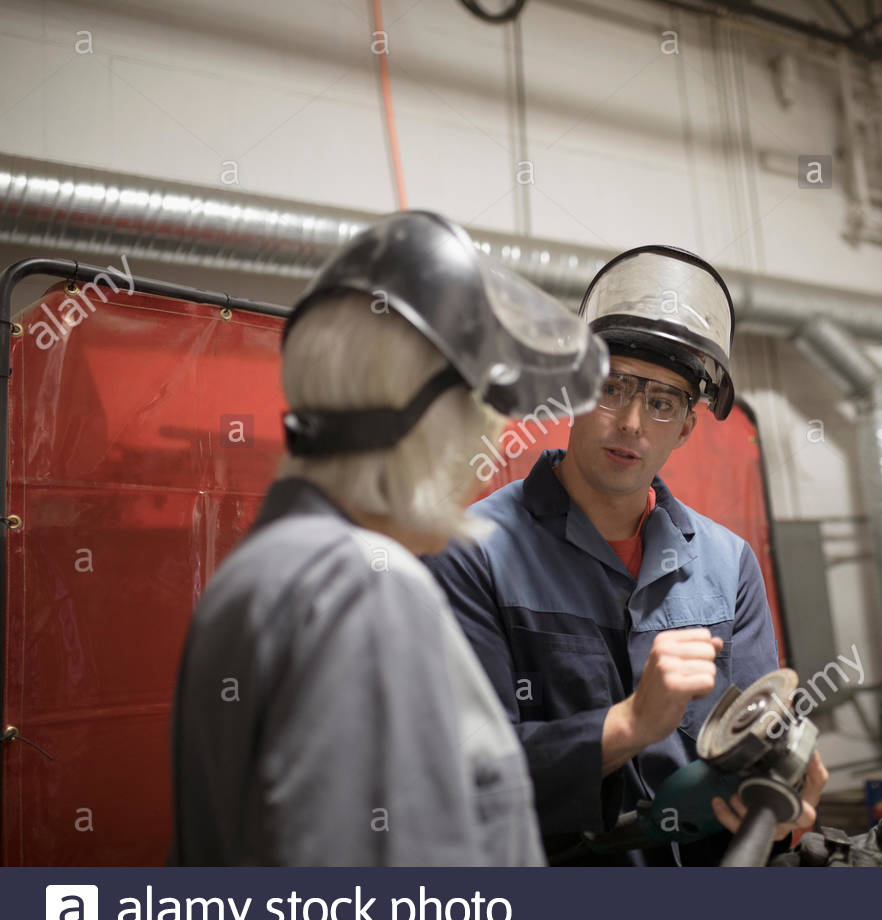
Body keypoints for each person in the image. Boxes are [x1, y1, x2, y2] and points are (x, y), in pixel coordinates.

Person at [170, 211, 607, 865]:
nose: (487, 439)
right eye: (482, 411)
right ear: (437, 420)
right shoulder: (364, 589)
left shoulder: (258, 573)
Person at [425, 245, 826, 865]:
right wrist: (630, 725)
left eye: (662, 402)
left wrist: (782, 797)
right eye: (611, 389)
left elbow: (760, 745)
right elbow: (463, 777)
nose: (633, 422)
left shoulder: (728, 563)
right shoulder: (471, 551)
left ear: (686, 427)